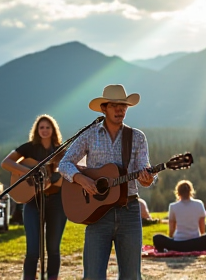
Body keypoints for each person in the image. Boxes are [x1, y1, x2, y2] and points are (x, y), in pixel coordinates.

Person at [59, 84, 157, 280]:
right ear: (104, 108)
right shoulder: (89, 134)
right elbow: (64, 164)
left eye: (123, 106)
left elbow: (143, 169)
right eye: (114, 106)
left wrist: (147, 179)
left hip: (129, 209)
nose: (120, 110)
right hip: (96, 214)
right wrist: (82, 179)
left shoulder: (136, 137)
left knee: (131, 276)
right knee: (93, 276)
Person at [1, 114, 67, 280]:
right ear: (37, 131)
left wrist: (57, 179)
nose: (44, 130)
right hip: (32, 202)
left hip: (56, 202)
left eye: (48, 127)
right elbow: (6, 163)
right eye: (41, 127)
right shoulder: (29, 148)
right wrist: (29, 172)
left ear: (53, 130)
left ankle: (52, 277)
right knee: (32, 249)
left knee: (53, 248)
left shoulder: (61, 151)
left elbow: (69, 174)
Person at [153, 180, 206, 252]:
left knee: (157, 238)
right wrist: (201, 238)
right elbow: (202, 227)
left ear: (177, 192)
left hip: (178, 243)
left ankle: (169, 248)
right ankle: (199, 247)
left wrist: (171, 239)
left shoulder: (173, 206)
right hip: (194, 242)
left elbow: (172, 229)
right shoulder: (199, 204)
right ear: (191, 191)